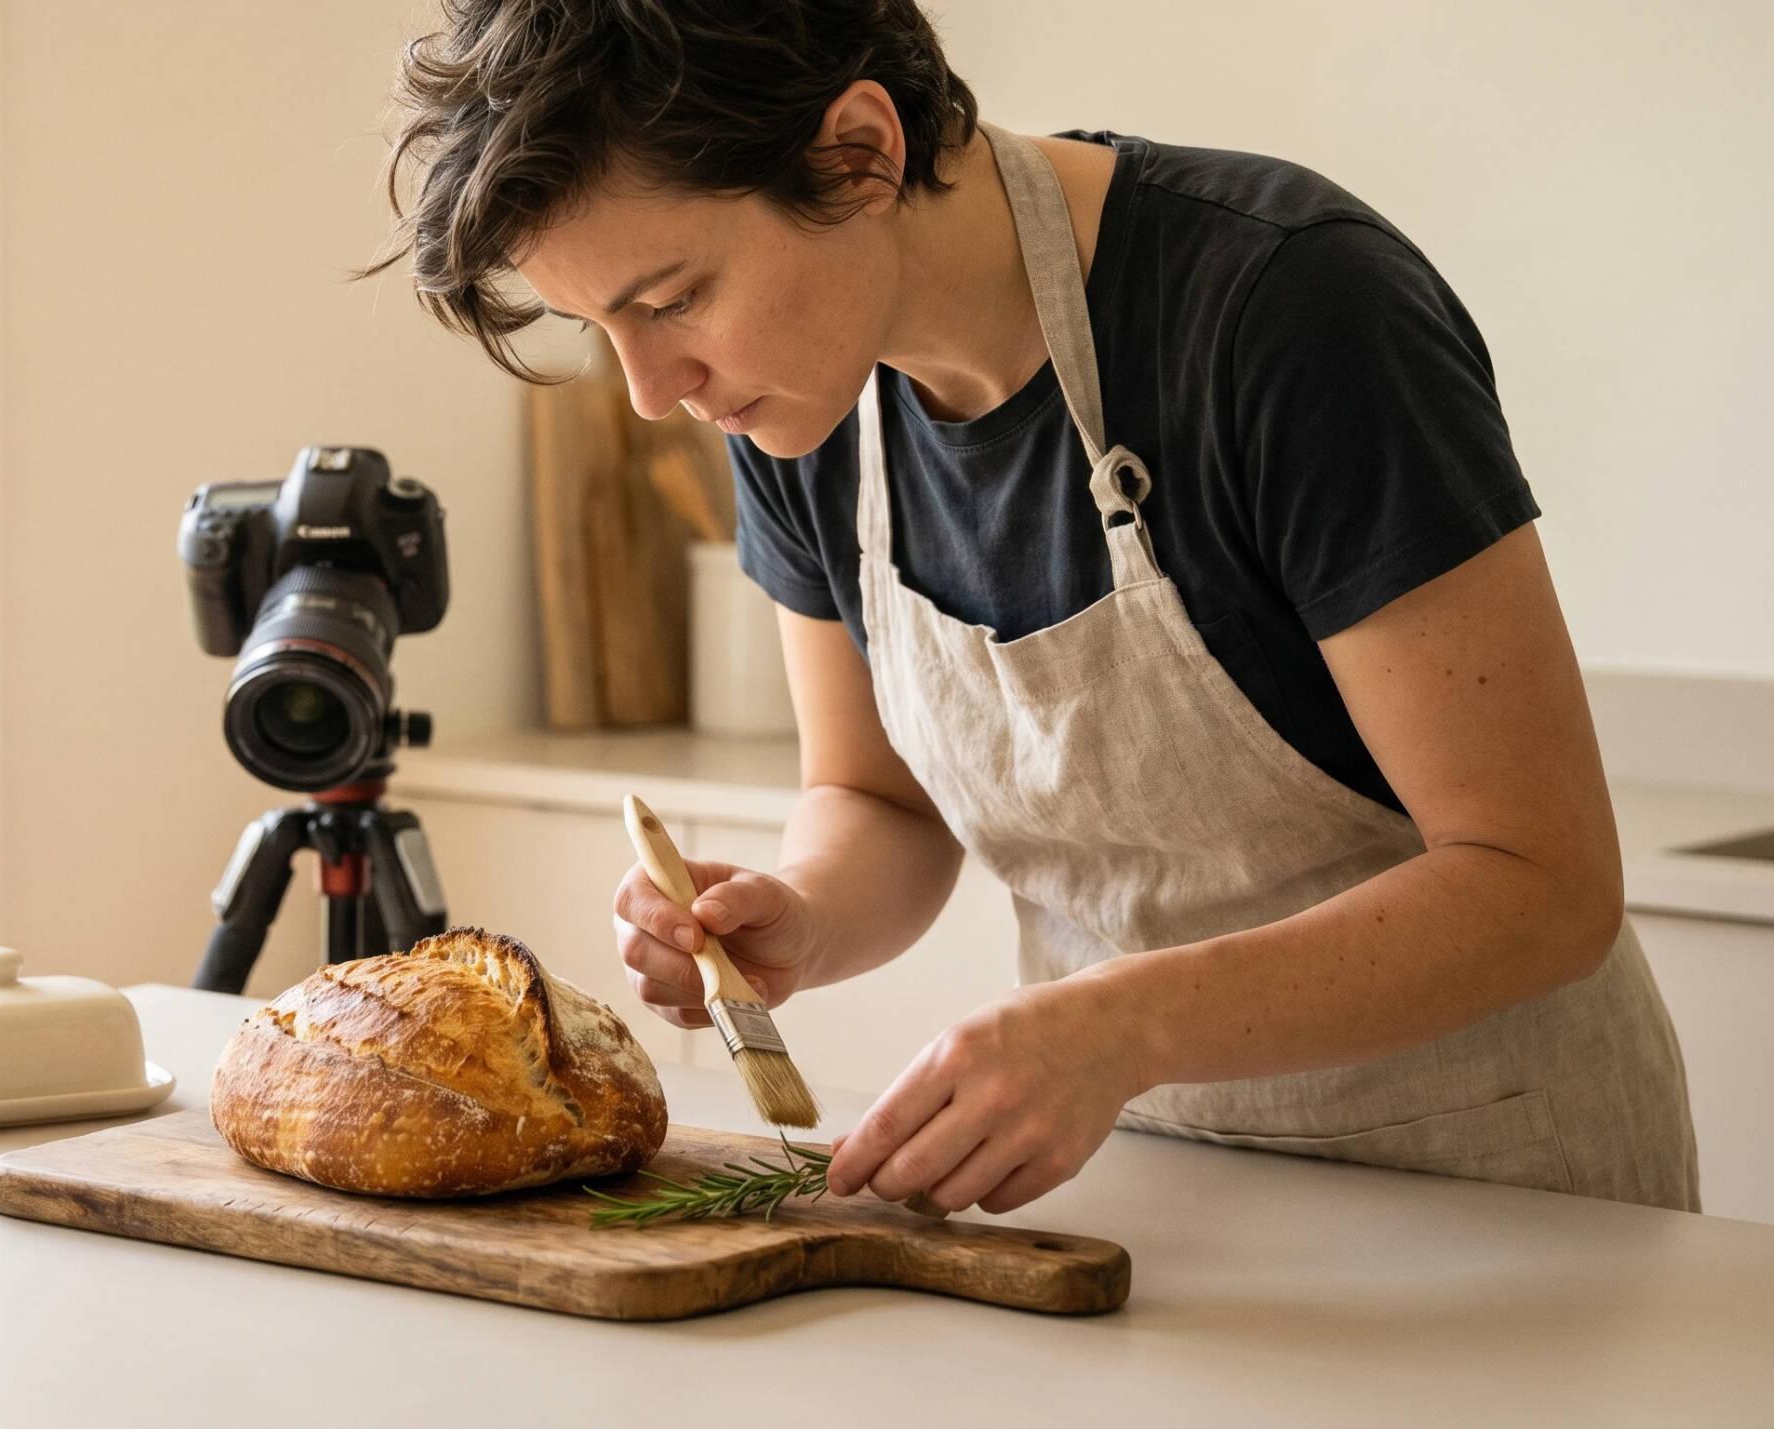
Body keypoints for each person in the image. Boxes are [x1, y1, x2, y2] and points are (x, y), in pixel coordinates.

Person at [367, 0, 1698, 1214]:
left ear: (859, 153)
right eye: (604, 327)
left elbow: (1542, 884)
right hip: (1159, 1194)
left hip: (1511, 1199)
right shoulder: (799, 410)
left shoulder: (1288, 312)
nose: (655, 390)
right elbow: (876, 802)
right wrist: (805, 910)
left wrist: (1121, 1025)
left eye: (674, 300)